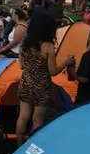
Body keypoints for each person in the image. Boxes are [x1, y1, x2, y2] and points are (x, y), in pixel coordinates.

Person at [16, 13, 75, 145]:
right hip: (42, 87)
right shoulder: (47, 47)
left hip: (26, 83)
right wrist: (66, 62)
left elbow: (21, 66)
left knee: (23, 117)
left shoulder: (24, 44)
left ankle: (18, 144)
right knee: (38, 120)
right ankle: (33, 147)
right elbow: (53, 72)